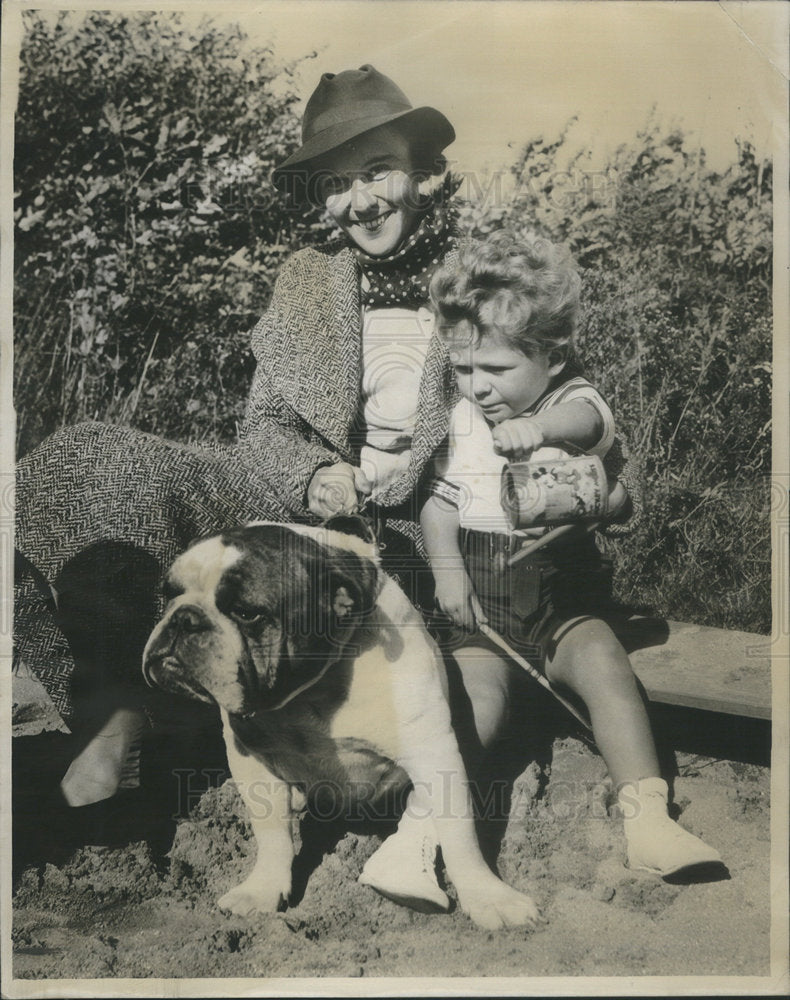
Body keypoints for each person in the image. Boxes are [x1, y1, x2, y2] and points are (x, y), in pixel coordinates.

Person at [14, 66, 640, 904]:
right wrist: (312, 477)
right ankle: (118, 705)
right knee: (90, 456)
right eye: (336, 184)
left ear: (424, 171)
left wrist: (558, 486)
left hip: (424, 529)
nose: (359, 200)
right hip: (285, 509)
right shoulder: (307, 281)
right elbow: (261, 431)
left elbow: (569, 409)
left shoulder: (482, 278)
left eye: (376, 170)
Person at [414, 231, 723, 879]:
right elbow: (437, 507)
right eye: (464, 370)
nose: (479, 388)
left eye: (497, 371)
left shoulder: (569, 397)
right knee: (475, 706)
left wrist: (540, 429)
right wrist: (447, 573)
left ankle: (648, 818)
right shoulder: (462, 419)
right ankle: (424, 826)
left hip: (561, 604)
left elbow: (586, 425)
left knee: (606, 663)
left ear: (551, 357)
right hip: (485, 610)